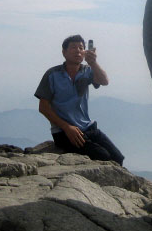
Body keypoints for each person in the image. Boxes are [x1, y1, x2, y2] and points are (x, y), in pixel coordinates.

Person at [35, 34, 124, 165]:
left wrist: (93, 62)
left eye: (81, 47)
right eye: (73, 47)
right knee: (103, 157)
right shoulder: (52, 74)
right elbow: (43, 107)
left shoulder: (87, 71)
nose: (78, 50)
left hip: (88, 127)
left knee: (118, 158)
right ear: (64, 52)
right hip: (64, 132)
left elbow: (104, 81)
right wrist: (66, 127)